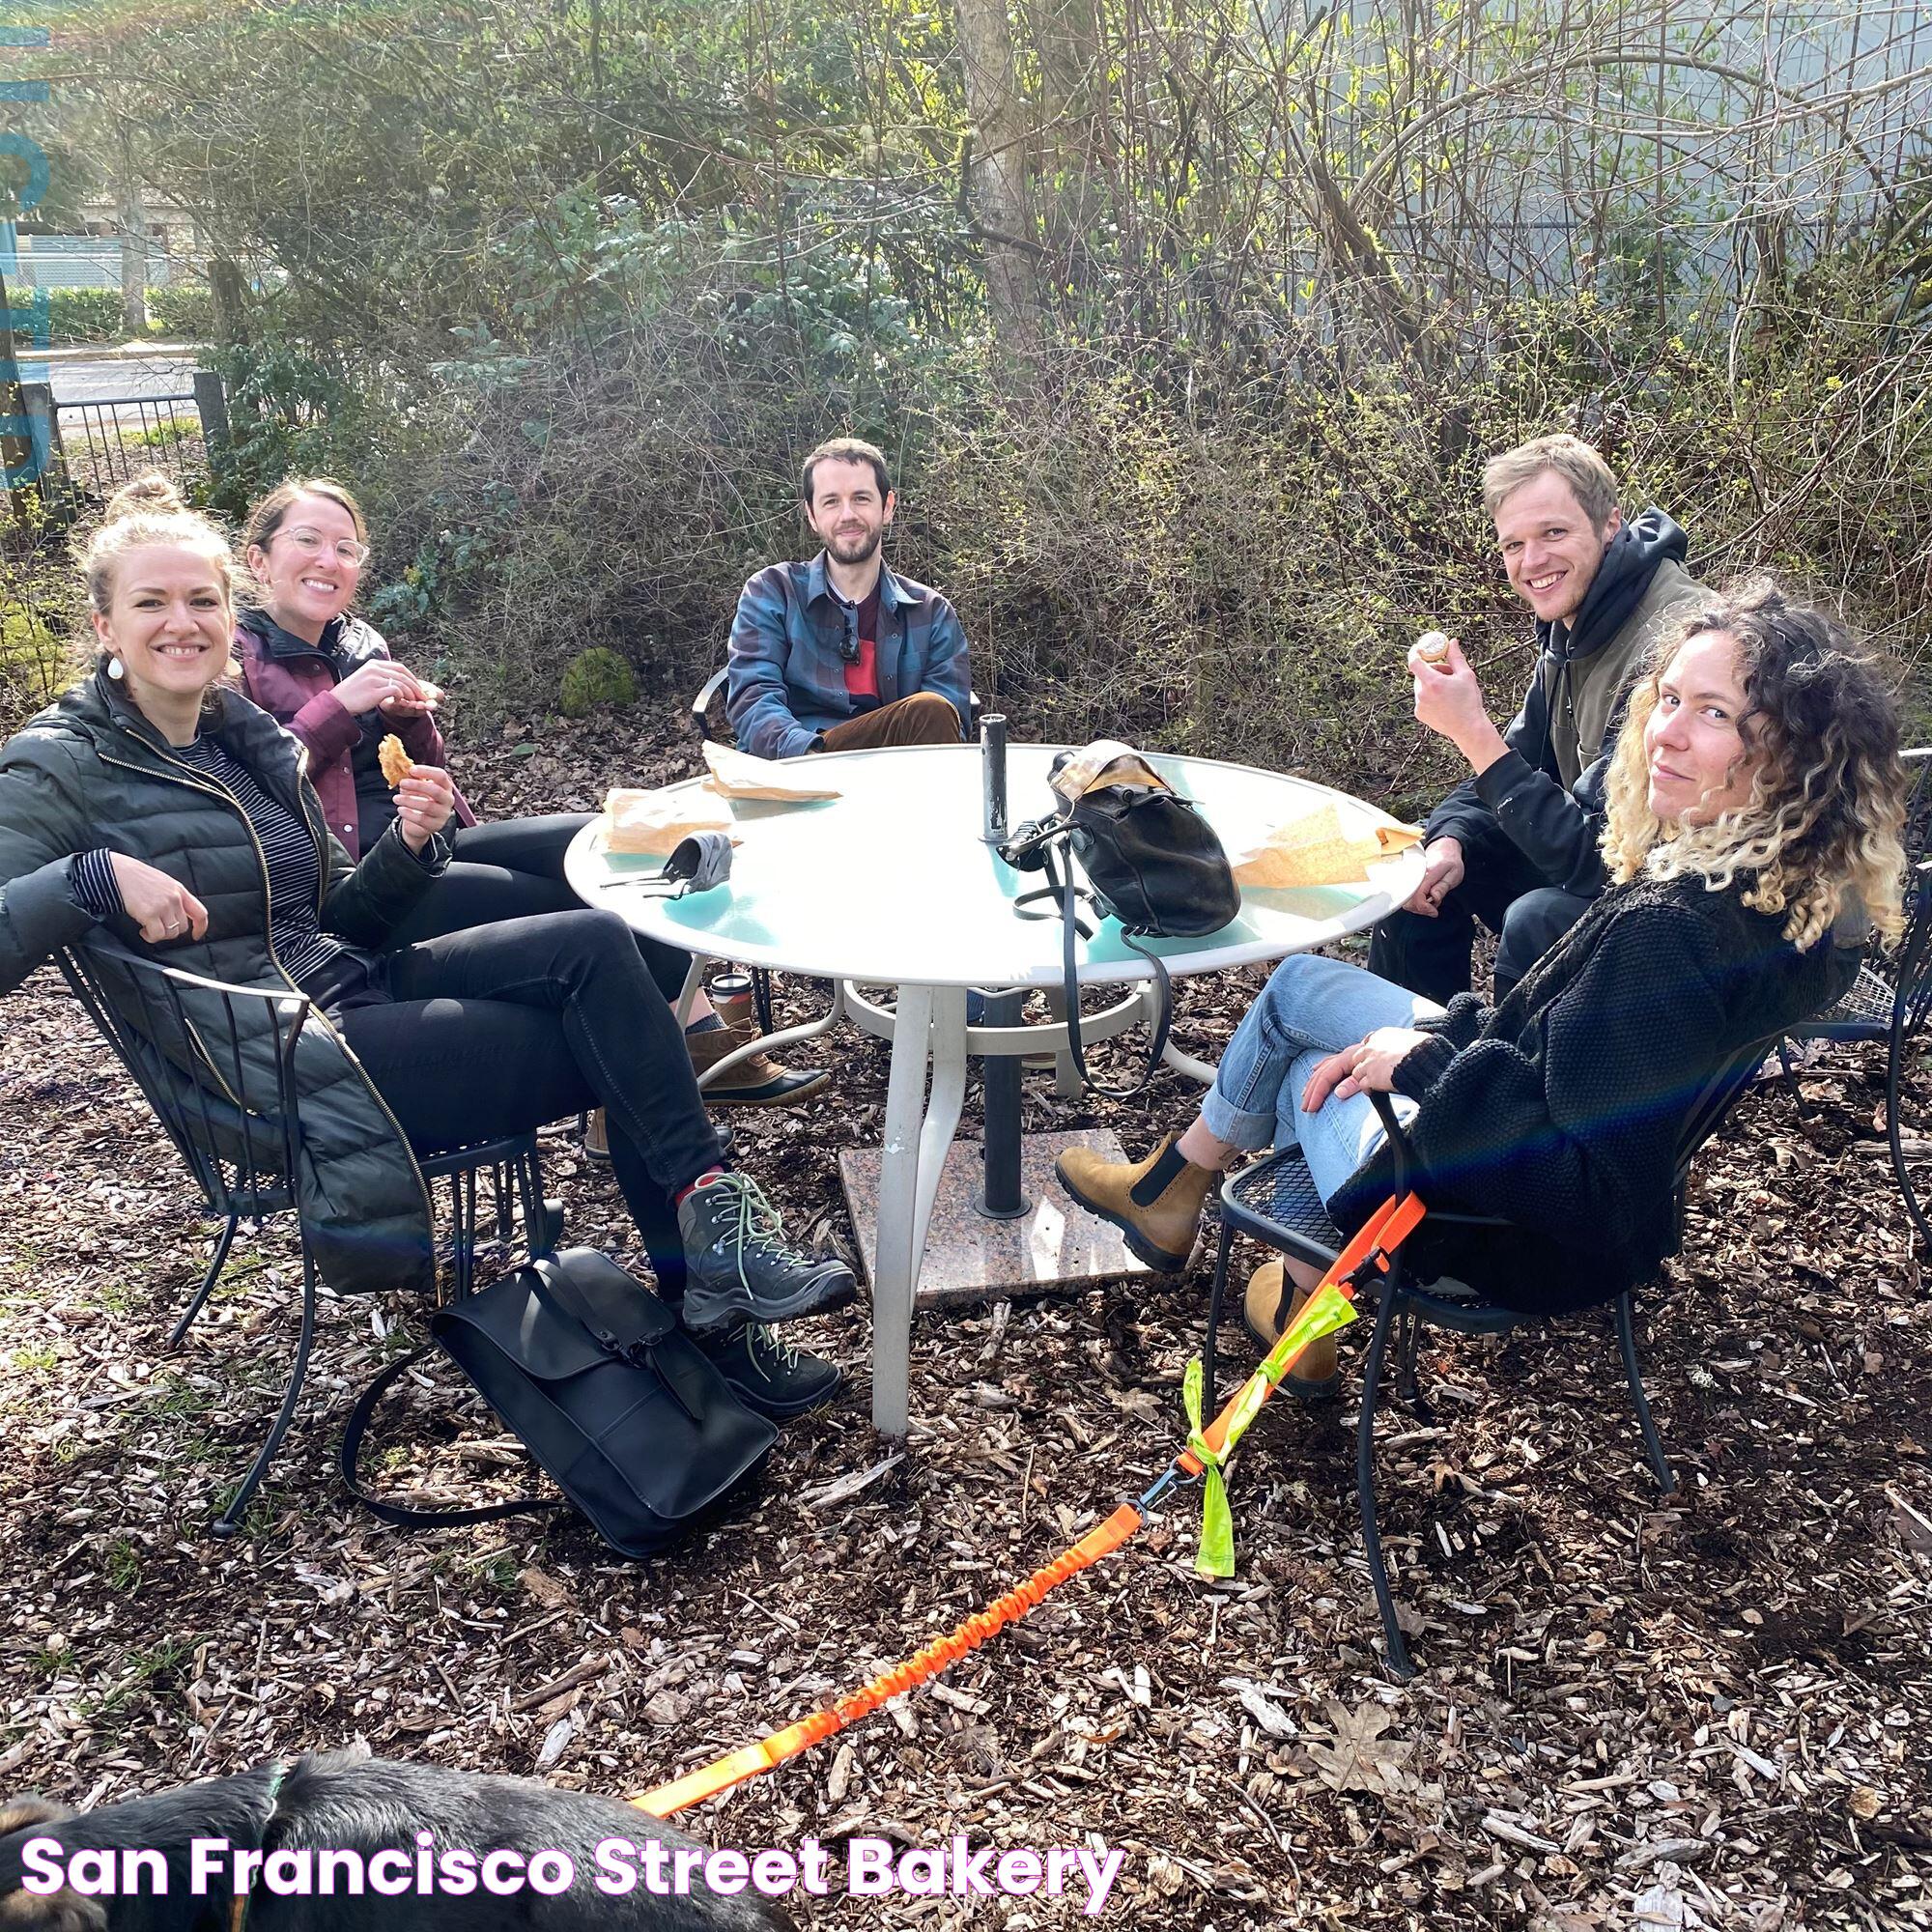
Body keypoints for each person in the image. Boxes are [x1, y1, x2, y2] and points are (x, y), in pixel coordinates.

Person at [0, 476, 854, 1417]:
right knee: (621, 1045)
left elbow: (342, 916)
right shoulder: (61, 761)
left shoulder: (241, 737)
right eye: (151, 602)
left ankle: (713, 1257)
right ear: (102, 627)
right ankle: (718, 1320)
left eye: (200, 599)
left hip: (349, 982)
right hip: (280, 1058)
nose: (183, 621)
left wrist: (409, 849)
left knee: (597, 945)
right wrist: (90, 877)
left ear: (224, 607)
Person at [1061, 583, 1903, 1395]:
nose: (1666, 736)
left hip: (1496, 1226)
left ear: (1795, 754)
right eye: (1669, 699)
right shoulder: (1783, 887)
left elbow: (1590, 1188)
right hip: (1513, 1115)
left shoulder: (1674, 931)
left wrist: (1425, 1067)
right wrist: (1440, 1042)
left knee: (1309, 1073)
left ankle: (1296, 1300)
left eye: (1714, 713)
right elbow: (1550, 1038)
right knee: (1303, 992)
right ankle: (1174, 1194)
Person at [234, 476, 823, 1110]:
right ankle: (651, 1067)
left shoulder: (359, 642)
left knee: (597, 845)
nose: (330, 560)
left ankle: (690, 1030)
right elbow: (251, 787)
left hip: (431, 840)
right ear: (258, 558)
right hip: (356, 887)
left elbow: (427, 767)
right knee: (589, 912)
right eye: (308, 541)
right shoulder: (235, 657)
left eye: (346, 549)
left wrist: (409, 720)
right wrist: (339, 706)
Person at [1371, 434, 1709, 1004]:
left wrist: (1470, 731)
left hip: (1686, 905)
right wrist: (1448, 839)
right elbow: (1518, 765)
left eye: (1554, 533)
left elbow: (1600, 861)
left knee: (1538, 915)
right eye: (1513, 544)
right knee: (1419, 873)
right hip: (1610, 867)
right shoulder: (1577, 622)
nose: (1532, 562)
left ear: (1609, 524)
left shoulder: (1673, 646)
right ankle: (1400, 1061)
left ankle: (1495, 1084)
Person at [726, 437, 971, 759]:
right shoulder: (773, 591)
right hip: (793, 770)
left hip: (897, 779)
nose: (847, 515)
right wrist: (811, 758)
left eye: (861, 498)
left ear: (887, 507)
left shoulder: (931, 613)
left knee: (931, 710)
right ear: (812, 515)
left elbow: (948, 724)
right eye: (830, 502)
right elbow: (754, 697)